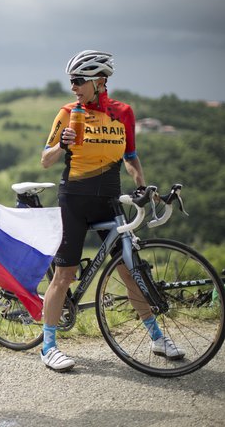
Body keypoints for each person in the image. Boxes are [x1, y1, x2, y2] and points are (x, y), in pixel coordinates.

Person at [39, 50, 184, 372]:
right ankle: (48, 346)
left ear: (100, 81)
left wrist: (143, 185)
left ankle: (157, 337)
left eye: (79, 81)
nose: (73, 87)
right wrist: (61, 145)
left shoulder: (123, 113)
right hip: (74, 199)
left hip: (109, 200)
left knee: (128, 270)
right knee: (64, 276)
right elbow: (45, 160)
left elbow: (131, 156)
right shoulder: (67, 113)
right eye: (71, 81)